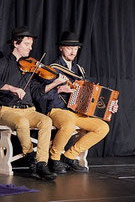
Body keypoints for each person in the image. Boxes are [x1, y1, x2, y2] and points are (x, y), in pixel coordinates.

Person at [34, 31, 118, 173]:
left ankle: (69, 156)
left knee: (103, 128)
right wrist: (60, 89)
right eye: (69, 47)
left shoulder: (79, 70)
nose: (73, 51)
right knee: (68, 124)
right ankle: (54, 159)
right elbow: (41, 95)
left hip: (77, 113)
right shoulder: (52, 69)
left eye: (75, 48)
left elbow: (91, 96)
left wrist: (110, 106)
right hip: (58, 110)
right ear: (61, 48)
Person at [0, 26, 56, 181]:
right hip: (6, 110)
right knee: (22, 122)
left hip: (28, 110)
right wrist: (11, 88)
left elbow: (37, 93)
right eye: (26, 44)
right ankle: (30, 157)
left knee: (46, 121)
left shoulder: (31, 66)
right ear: (16, 44)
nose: (30, 48)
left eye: (31, 45)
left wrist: (54, 82)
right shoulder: (3, 62)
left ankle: (42, 163)